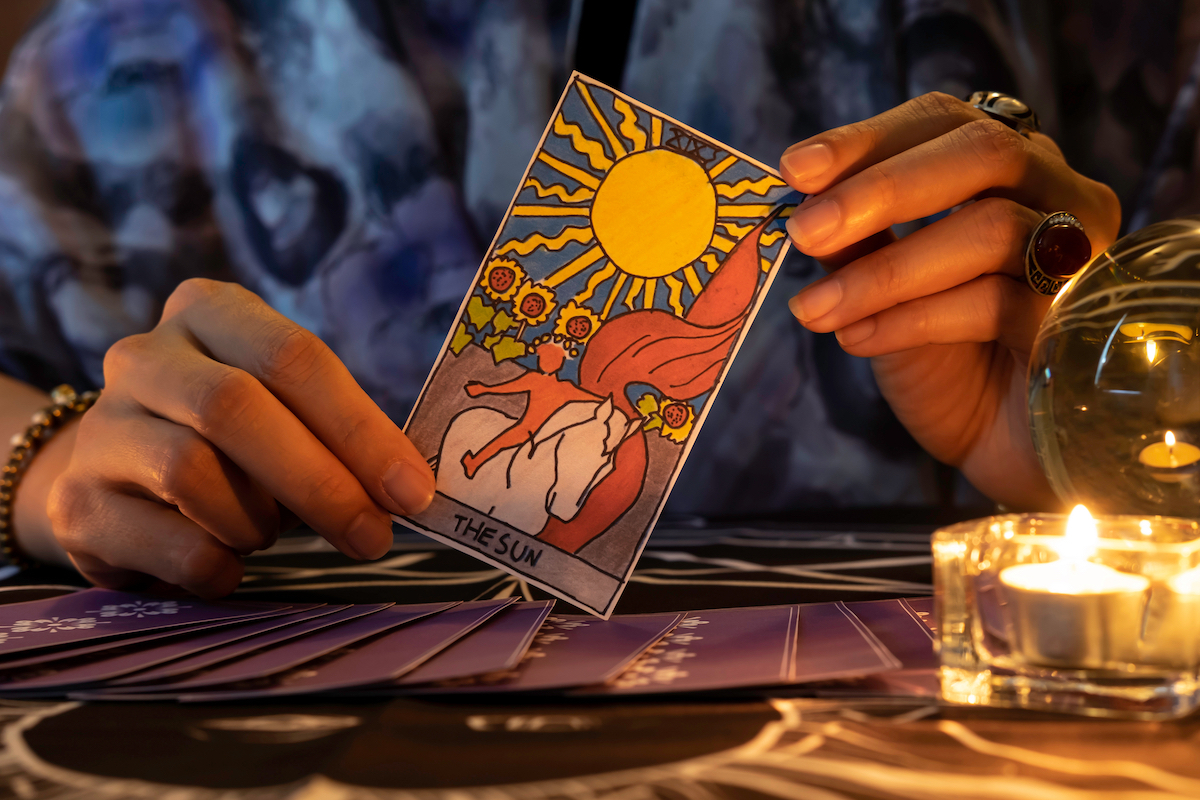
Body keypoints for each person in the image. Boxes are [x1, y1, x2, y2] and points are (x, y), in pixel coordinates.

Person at [0, 0, 1156, 599]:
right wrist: (43, 461)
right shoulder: (107, 74)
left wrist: (1099, 418)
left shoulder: (1106, 33)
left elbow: (1161, 395)